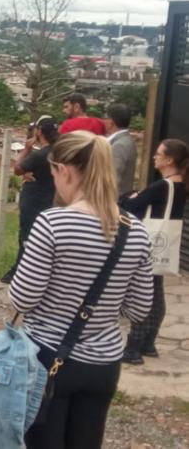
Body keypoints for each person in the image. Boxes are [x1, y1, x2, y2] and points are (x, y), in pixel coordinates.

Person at [9, 131, 153, 449]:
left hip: (49, 357)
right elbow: (140, 309)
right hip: (104, 365)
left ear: (65, 170)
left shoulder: (52, 224)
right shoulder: (135, 230)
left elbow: (23, 297)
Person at [121, 138, 188, 365]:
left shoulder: (162, 186)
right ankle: (148, 343)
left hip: (149, 244)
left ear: (169, 160)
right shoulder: (180, 185)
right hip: (164, 246)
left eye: (158, 153)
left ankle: (133, 347)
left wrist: (132, 198)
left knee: (144, 293)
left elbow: (130, 206)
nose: (154, 157)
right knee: (156, 293)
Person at [2, 116, 59, 284]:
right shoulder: (59, 153)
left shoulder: (41, 154)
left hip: (35, 203)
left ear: (40, 132)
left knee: (26, 238)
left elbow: (18, 169)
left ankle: (20, 273)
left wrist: (26, 149)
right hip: (50, 202)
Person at [106, 103, 137, 197]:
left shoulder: (119, 145)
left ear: (111, 122)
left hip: (114, 200)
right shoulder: (126, 140)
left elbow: (113, 178)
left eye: (105, 118)